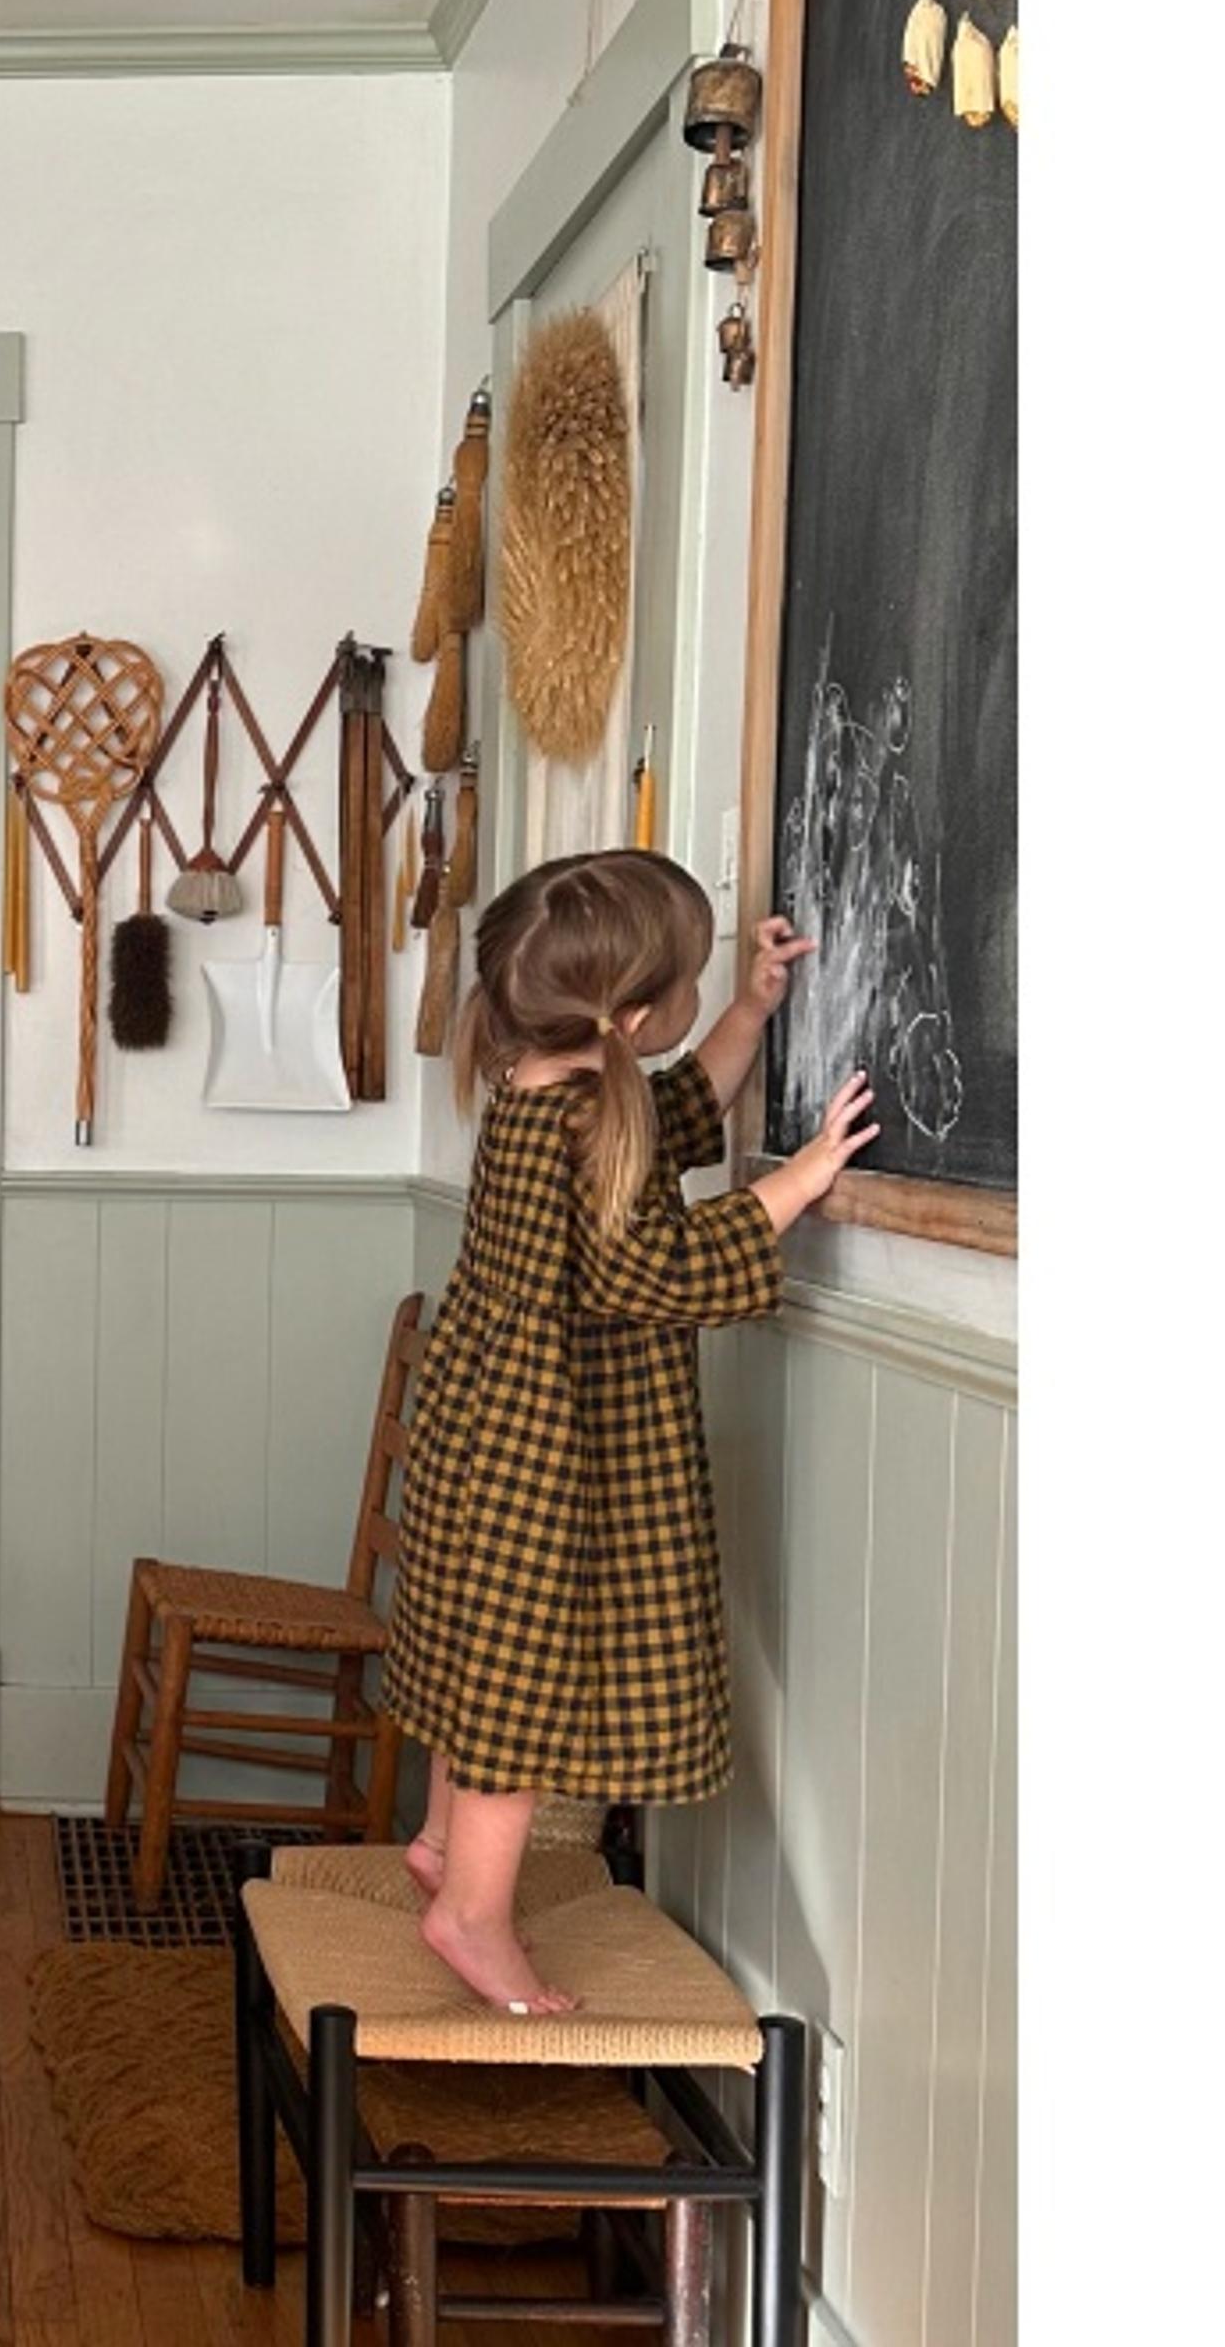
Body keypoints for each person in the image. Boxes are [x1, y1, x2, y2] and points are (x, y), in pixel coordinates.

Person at [381, 849, 874, 2014]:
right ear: (635, 1018)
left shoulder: (557, 1090)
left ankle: (447, 1847)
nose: (707, 1000)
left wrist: (753, 1007)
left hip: (494, 1427)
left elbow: (685, 1102)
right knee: (514, 1682)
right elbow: (644, 1265)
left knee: (476, 1652)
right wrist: (792, 1188)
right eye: (699, 983)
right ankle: (473, 1913)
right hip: (545, 1453)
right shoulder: (576, 1127)